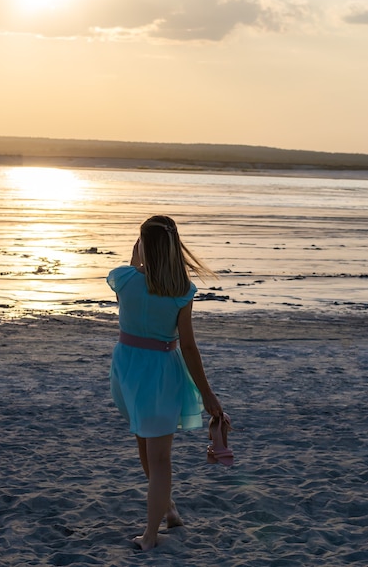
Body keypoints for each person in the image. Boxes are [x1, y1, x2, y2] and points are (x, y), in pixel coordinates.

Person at [107, 215, 223, 551]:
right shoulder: (181, 291)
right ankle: (166, 509)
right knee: (158, 455)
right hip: (162, 373)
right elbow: (187, 346)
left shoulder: (123, 278)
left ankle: (152, 532)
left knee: (147, 448)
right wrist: (207, 393)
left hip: (128, 372)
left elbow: (128, 296)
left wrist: (134, 260)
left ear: (142, 245)